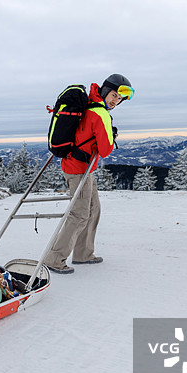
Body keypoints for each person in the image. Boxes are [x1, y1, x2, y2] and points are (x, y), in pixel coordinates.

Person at [43, 73, 134, 274]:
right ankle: (54, 259)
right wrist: (112, 133)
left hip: (83, 168)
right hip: (78, 169)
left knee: (94, 210)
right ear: (106, 90)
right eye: (114, 95)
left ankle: (83, 253)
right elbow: (105, 149)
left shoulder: (91, 104)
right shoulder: (100, 113)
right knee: (79, 214)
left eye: (119, 99)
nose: (116, 101)